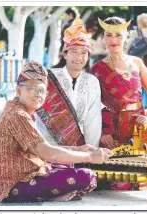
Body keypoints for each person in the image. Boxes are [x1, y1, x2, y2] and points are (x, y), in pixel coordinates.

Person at [0, 61, 113, 203]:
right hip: (11, 186)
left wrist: (79, 149)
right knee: (87, 176)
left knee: (69, 163)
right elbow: (48, 153)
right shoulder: (17, 115)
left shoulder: (20, 110)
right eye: (31, 88)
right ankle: (53, 194)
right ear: (18, 90)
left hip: (21, 174)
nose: (37, 94)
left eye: (41, 90)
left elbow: (44, 148)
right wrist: (89, 156)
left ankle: (55, 193)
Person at [89, 17, 147, 149]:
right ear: (103, 38)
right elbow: (91, 106)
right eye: (109, 35)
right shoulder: (96, 69)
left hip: (138, 126)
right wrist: (101, 132)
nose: (113, 40)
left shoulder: (136, 62)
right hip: (110, 130)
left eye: (118, 35)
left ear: (126, 36)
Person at [35, 17, 102, 148]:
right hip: (46, 147)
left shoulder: (92, 82)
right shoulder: (49, 77)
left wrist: (90, 151)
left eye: (84, 52)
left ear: (88, 56)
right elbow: (37, 116)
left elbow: (93, 121)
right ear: (65, 54)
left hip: (77, 147)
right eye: (74, 51)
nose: (79, 57)